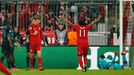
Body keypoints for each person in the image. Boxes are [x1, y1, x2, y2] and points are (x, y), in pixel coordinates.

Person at [60, 5, 105, 72]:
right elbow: (93, 22)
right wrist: (98, 18)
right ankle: (84, 65)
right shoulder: (86, 27)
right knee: (85, 56)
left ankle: (83, 68)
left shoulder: (77, 27)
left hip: (80, 43)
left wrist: (63, 18)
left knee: (79, 56)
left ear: (79, 23)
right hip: (86, 43)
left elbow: (70, 23)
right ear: (84, 24)